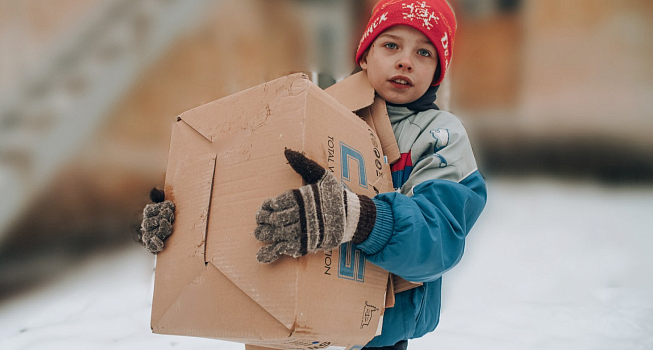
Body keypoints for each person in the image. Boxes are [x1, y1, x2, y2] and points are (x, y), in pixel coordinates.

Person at [138, 1, 486, 349]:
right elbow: (248, 192)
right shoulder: (310, 112)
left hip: (375, 333)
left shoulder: (440, 137)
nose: (405, 60)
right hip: (281, 320)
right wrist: (184, 226)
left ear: (439, 70)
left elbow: (439, 238)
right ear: (364, 55)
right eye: (391, 44)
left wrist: (358, 219)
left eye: (424, 52)